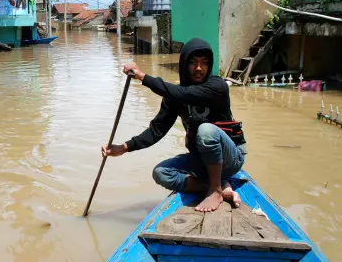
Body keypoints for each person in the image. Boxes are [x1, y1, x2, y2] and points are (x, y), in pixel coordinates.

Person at [102, 38, 247, 212]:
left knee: (206, 130)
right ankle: (218, 188)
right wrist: (123, 148)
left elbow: (183, 93)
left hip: (230, 159)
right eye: (193, 63)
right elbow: (157, 130)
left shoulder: (218, 86)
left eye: (204, 63)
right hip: (202, 160)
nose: (199, 68)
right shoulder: (175, 96)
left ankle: (215, 190)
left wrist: (142, 77)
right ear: (184, 65)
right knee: (161, 173)